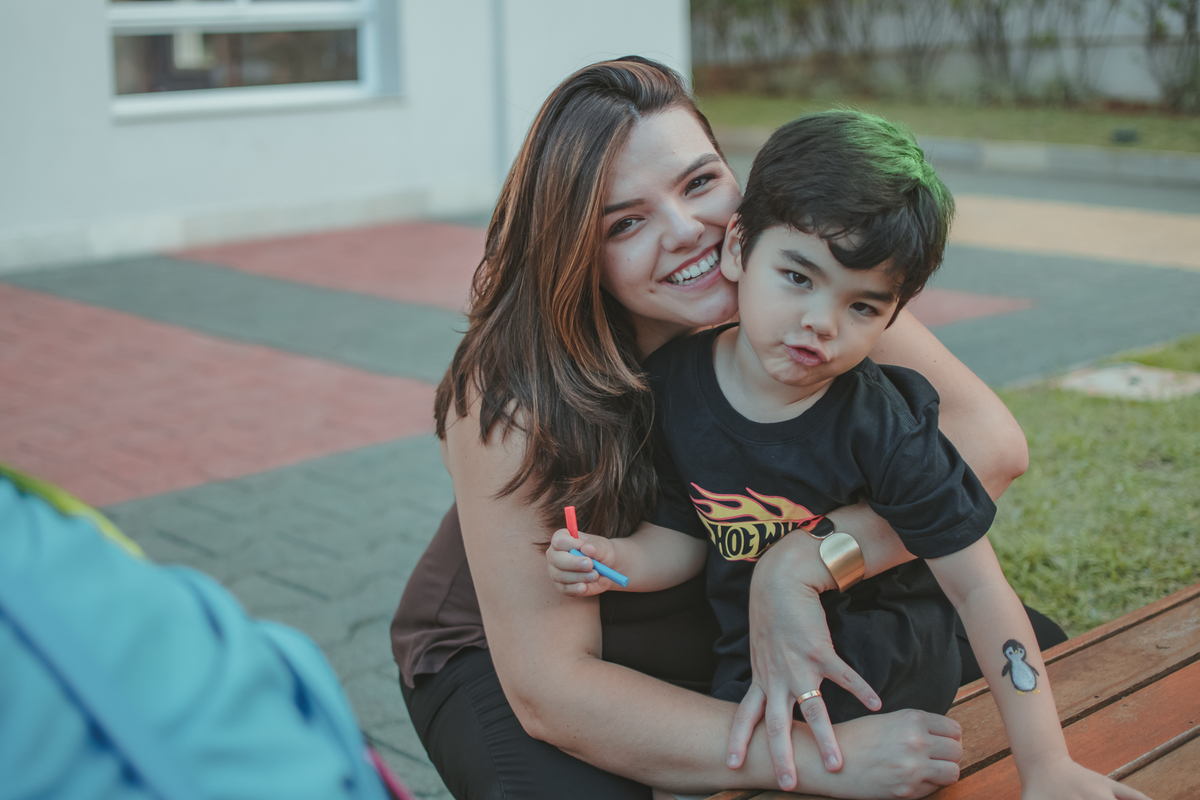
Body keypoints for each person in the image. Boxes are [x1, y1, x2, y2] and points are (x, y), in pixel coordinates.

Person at [391, 56, 1051, 799]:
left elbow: (989, 445)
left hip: (722, 596)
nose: (688, 232)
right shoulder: (513, 395)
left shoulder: (800, 282)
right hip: (524, 648)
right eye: (626, 222)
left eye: (700, 182)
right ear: (574, 251)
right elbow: (554, 689)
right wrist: (818, 758)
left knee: (1033, 660)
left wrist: (803, 562)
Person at [547, 111, 1147, 800]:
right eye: (797, 277)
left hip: (880, 674)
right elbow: (685, 535)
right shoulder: (676, 387)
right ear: (738, 248)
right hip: (757, 669)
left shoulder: (883, 424)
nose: (821, 323)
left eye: (862, 307)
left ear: (893, 316)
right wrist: (613, 562)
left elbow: (979, 588)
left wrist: (1046, 767)